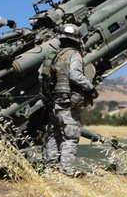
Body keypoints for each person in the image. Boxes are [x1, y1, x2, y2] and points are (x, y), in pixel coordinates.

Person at [40, 20, 96, 174]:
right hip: (67, 104)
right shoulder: (74, 55)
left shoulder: (51, 56)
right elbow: (75, 75)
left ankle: (51, 169)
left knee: (53, 135)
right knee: (70, 137)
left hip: (53, 102)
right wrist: (90, 87)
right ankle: (67, 171)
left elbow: (41, 77)